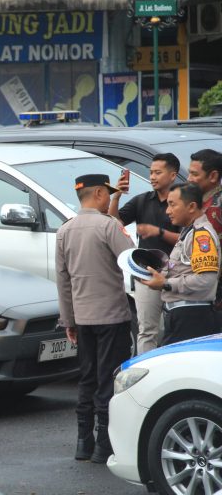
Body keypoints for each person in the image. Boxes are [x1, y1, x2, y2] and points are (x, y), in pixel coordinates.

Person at [56, 174, 134, 463]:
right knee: (108, 379)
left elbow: (63, 282)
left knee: (86, 378)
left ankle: (82, 442)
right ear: (100, 194)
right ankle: (104, 445)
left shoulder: (65, 230)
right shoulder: (109, 226)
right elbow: (131, 260)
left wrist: (69, 321)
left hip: (83, 318)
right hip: (112, 315)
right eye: (108, 195)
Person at [108, 154, 181, 353]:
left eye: (158, 172)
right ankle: (146, 375)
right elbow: (116, 223)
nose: (152, 177)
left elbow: (187, 238)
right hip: (146, 273)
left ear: (173, 175)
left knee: (176, 330)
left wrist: (158, 232)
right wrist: (116, 196)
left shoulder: (183, 201)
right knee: (147, 330)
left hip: (178, 273)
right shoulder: (142, 201)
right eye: (151, 172)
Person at [140, 183, 221, 345]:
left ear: (191, 206)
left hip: (192, 317)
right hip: (181, 315)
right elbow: (179, 268)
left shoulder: (201, 235)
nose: (168, 211)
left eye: (172, 205)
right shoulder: (188, 232)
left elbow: (206, 281)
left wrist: (166, 284)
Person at [187, 149, 222, 237]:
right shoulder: (199, 200)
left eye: (194, 174)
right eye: (189, 173)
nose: (189, 179)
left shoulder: (217, 207)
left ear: (213, 176)